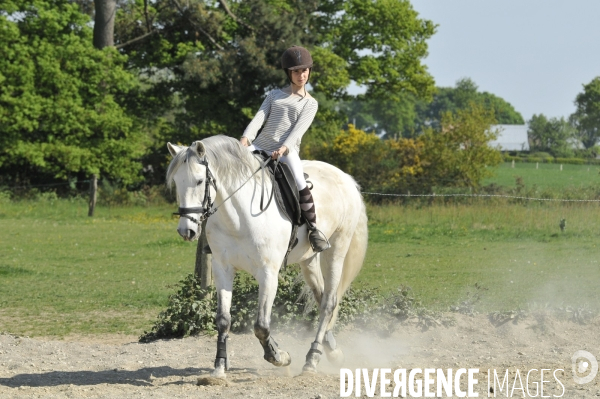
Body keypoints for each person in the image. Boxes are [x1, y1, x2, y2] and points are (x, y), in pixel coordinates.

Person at [240, 46, 330, 253]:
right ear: (289, 73)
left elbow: (298, 131)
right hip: (260, 145)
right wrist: (246, 138)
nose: (302, 75)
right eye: (297, 71)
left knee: (299, 181)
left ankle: (314, 230)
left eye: (305, 70)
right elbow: (259, 118)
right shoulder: (274, 95)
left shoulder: (310, 103)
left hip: (287, 151)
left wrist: (283, 149)